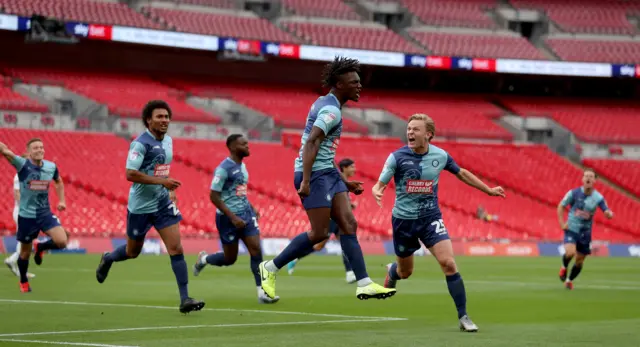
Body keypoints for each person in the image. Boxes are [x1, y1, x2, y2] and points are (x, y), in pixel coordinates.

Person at [258, 56, 395, 301]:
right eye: (354, 82)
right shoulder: (331, 110)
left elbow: (323, 149)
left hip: (328, 172)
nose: (359, 86)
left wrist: (343, 182)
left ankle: (363, 282)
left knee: (349, 225)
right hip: (315, 175)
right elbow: (311, 142)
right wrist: (307, 180)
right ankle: (270, 268)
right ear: (339, 84)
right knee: (320, 233)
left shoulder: (326, 102)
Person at [372, 113, 506, 332]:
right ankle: (393, 272)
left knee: (449, 264)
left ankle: (464, 316)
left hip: (430, 218)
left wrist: (488, 190)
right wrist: (377, 189)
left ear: (429, 134)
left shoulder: (440, 156)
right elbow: (381, 182)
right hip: (403, 221)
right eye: (409, 129)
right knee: (406, 272)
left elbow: (461, 173)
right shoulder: (396, 157)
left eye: (415, 129)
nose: (410, 132)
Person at [95, 100, 205, 314]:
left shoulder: (169, 141)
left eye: (166, 116)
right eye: (159, 117)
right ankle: (108, 258)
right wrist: (161, 182)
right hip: (140, 207)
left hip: (162, 203)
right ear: (148, 120)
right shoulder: (140, 144)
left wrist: (168, 189)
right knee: (132, 251)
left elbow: (162, 168)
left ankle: (185, 299)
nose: (164, 120)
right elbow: (130, 173)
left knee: (176, 249)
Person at [192, 134, 279, 304]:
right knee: (229, 259)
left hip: (246, 215)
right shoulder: (223, 169)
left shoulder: (243, 167)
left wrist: (252, 208)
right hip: (227, 219)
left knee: (256, 250)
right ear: (232, 147)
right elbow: (213, 196)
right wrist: (232, 217)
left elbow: (239, 192)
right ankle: (204, 259)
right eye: (243, 144)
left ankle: (263, 293)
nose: (248, 146)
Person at [0, 138, 69, 292]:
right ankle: (23, 280)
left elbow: (58, 181)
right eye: (35, 148)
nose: (39, 150)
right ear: (29, 152)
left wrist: (62, 200)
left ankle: (40, 247)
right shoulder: (22, 165)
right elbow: (5, 151)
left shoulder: (51, 167)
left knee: (62, 241)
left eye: (41, 147)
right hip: (26, 216)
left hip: (44, 213)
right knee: (24, 253)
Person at [286, 158, 357, 284]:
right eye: (352, 167)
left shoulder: (345, 182)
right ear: (344, 168)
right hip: (330, 218)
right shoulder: (336, 180)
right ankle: (295, 257)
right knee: (318, 246)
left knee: (346, 243)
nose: (354, 169)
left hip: (340, 218)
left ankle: (350, 273)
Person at [557, 168, 613, 290]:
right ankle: (564, 267)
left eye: (591, 176)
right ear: (582, 179)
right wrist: (562, 223)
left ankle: (569, 280)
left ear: (595, 180)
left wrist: (608, 213)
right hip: (572, 228)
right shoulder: (573, 193)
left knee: (579, 261)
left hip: (585, 232)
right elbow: (561, 206)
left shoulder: (598, 197)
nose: (588, 178)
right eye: (586, 176)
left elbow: (605, 209)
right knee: (570, 252)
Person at [4, 154, 35, 279]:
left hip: (26, 211)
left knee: (26, 240)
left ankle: (17, 264)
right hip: (22, 211)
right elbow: (17, 194)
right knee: (26, 241)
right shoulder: (19, 176)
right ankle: (13, 260)